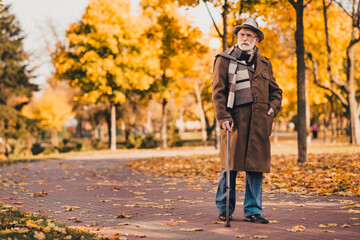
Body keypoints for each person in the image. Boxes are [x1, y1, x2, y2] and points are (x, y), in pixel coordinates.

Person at [212, 18, 283, 224]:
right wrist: (223, 116)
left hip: (259, 123)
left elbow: (276, 92)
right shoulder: (223, 59)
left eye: (249, 35)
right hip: (234, 122)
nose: (245, 38)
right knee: (230, 167)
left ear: (256, 40)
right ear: (237, 37)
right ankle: (225, 208)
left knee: (255, 168)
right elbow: (218, 93)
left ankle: (253, 210)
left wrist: (273, 107)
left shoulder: (264, 63)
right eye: (242, 34)